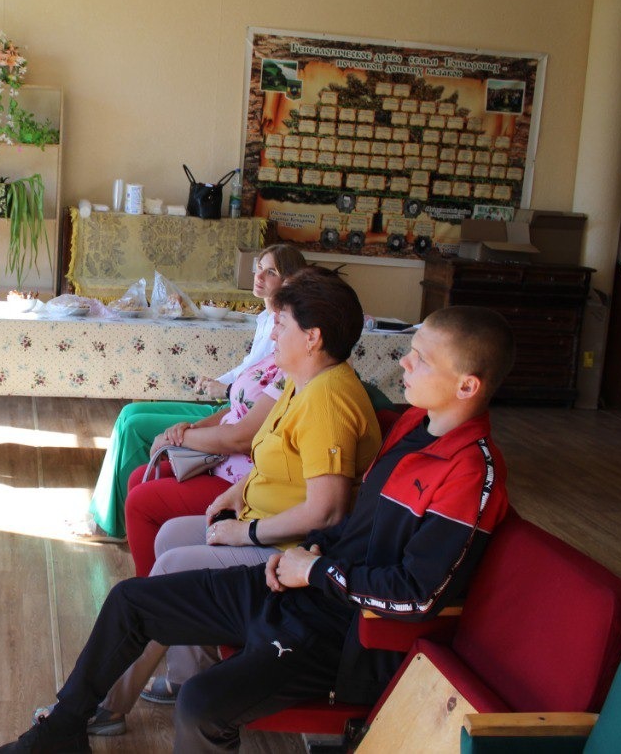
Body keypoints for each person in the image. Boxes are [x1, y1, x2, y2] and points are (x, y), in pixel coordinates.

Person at [0, 305, 515, 753]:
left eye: (420, 357)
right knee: (132, 602)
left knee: (201, 705)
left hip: (348, 636)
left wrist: (314, 569)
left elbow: (417, 596)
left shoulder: (471, 473)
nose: (404, 361)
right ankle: (61, 730)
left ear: (467, 385)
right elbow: (355, 527)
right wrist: (303, 557)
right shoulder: (414, 427)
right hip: (301, 587)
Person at [38, 268, 383, 737]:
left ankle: (108, 706)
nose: (273, 334)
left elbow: (328, 511)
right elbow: (275, 452)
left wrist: (246, 533)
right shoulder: (302, 381)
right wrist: (237, 492)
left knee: (170, 567)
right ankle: (187, 675)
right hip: (265, 521)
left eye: (281, 325)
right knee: (169, 536)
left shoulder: (328, 399)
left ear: (313, 337)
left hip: (289, 552)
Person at [78, 244, 307, 541]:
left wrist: (220, 394)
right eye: (258, 268)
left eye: (271, 272)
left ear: (289, 281)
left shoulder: (289, 339)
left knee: (134, 425)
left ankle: (116, 526)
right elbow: (249, 372)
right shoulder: (267, 320)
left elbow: (251, 410)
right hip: (231, 409)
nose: (259, 277)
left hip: (234, 418)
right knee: (128, 413)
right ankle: (107, 516)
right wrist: (218, 385)